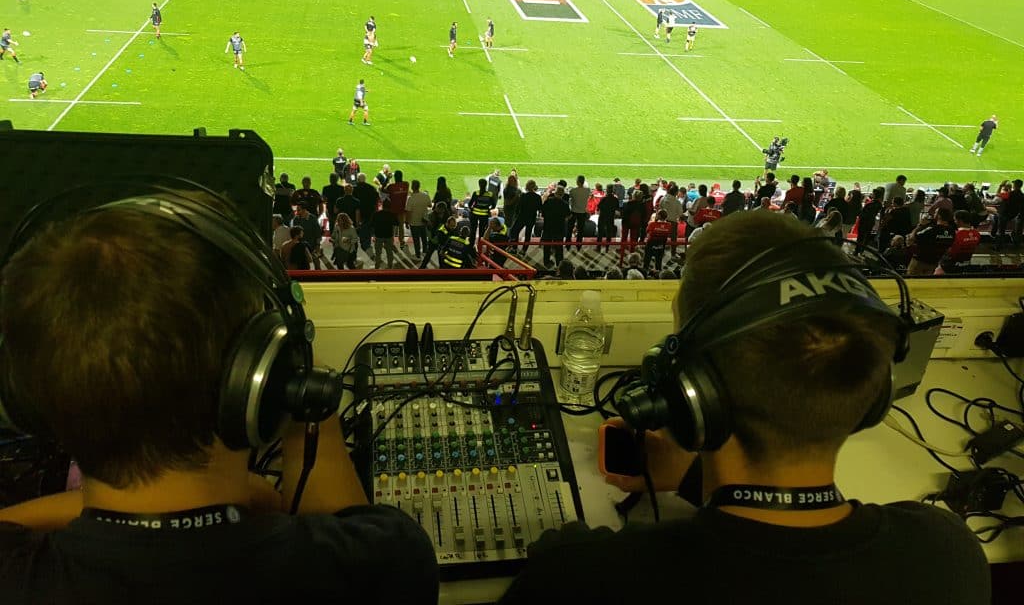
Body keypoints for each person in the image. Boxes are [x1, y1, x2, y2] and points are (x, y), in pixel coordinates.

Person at [499, 211, 989, 605]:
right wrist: (694, 479)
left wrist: (560, 561)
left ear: (689, 393)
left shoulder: (581, 582)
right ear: (875, 392)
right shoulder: (948, 551)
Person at [0, 189, 438, 603]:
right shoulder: (385, 562)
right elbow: (347, 526)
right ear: (263, 381)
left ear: (23, 397)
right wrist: (303, 407)